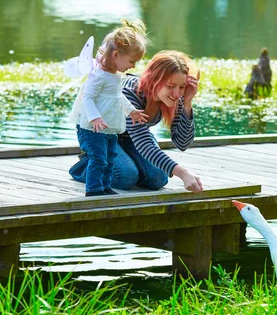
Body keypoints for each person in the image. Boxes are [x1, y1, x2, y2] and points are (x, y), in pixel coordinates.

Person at [69, 50, 203, 193]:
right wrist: (183, 173)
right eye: (170, 86)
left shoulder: (174, 97)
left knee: (158, 178)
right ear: (154, 80)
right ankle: (87, 165)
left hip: (129, 139)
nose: (177, 93)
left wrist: (187, 104)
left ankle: (124, 165)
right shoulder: (130, 91)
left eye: (181, 87)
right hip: (102, 135)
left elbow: (182, 143)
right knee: (125, 176)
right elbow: (143, 143)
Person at [70, 19, 149, 197]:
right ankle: (94, 189)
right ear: (115, 55)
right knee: (99, 158)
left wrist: (131, 111)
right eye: (131, 61)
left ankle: (105, 186)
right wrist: (94, 118)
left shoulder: (114, 75)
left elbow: (118, 97)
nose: (134, 66)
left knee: (110, 157)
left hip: (108, 127)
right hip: (92, 128)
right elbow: (88, 98)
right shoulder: (98, 75)